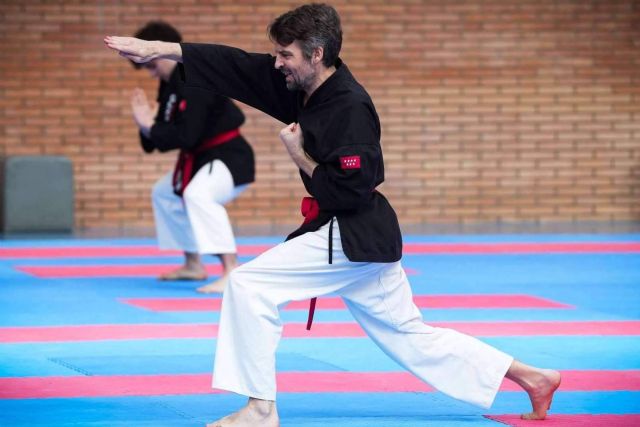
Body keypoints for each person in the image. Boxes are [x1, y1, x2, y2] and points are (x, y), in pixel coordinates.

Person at [106, 4, 561, 426]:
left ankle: (260, 408)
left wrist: (299, 154)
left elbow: (352, 188)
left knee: (248, 284)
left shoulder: (349, 107)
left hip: (353, 233)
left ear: (316, 53)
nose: (277, 62)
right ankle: (532, 377)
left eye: (285, 54)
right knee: (410, 334)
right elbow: (237, 67)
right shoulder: (303, 85)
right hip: (366, 239)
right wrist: (158, 49)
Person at [126, 21, 255, 294]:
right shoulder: (169, 83)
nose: (149, 74)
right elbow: (158, 141)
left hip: (229, 158)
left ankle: (231, 269)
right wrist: (144, 126)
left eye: (150, 65)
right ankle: (193, 263)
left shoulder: (195, 80)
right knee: (164, 192)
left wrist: (150, 126)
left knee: (198, 195)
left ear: (159, 52)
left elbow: (185, 136)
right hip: (201, 159)